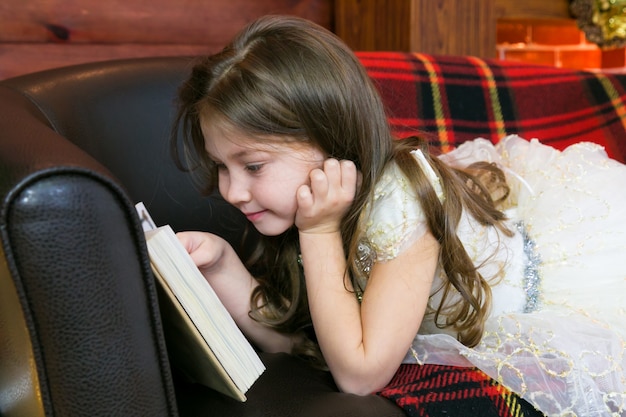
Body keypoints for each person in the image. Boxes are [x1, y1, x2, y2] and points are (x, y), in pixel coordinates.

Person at [170, 15, 626, 417]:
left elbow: (360, 374)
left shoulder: (400, 205)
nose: (231, 191)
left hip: (563, 292)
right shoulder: (303, 206)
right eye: (220, 166)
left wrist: (320, 231)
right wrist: (223, 267)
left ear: (328, 139)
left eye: (252, 166)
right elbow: (307, 341)